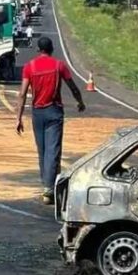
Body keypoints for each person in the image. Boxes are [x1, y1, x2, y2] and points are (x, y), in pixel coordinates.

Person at [15, 37, 86, 205]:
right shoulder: (58, 65)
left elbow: (22, 93)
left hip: (37, 113)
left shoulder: (29, 67)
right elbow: (72, 85)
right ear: (52, 49)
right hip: (54, 111)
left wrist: (18, 117)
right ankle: (49, 188)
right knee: (53, 151)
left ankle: (46, 186)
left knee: (43, 150)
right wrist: (80, 101)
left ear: (39, 50)